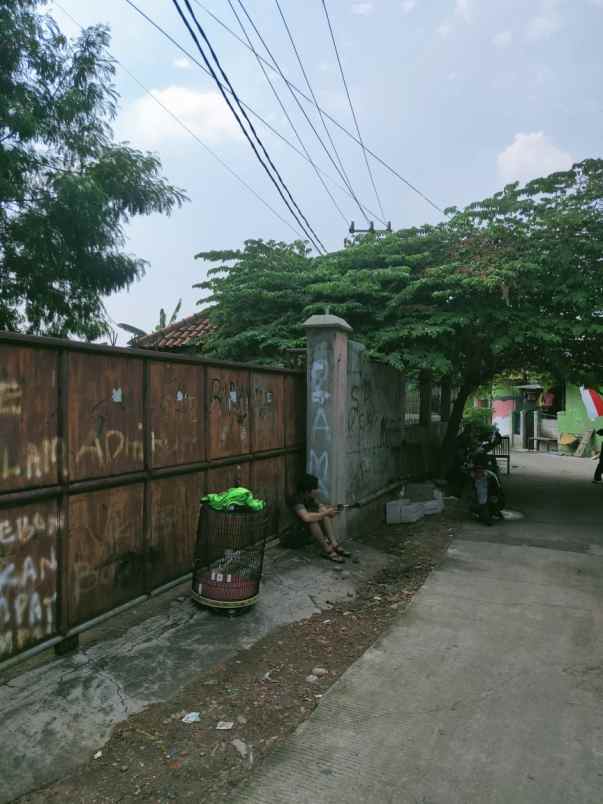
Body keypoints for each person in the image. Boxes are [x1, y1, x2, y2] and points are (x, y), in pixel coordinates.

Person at [288, 474, 351, 563]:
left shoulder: (310, 498)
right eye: (315, 488)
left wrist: (332, 511)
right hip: (292, 535)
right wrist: (326, 513)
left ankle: (334, 543)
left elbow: (322, 508)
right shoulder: (296, 499)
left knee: (322, 511)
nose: (318, 490)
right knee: (313, 521)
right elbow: (306, 518)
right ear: (307, 491)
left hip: (303, 530)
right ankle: (327, 549)